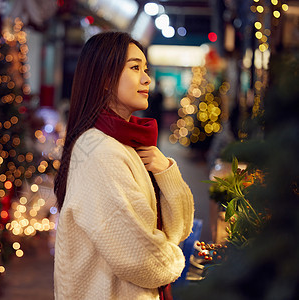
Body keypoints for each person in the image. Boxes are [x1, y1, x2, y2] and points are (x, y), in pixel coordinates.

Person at [53, 31, 194, 300]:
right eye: (134, 68)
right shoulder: (101, 151)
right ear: (105, 79)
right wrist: (178, 259)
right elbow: (142, 259)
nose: (146, 79)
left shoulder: (126, 143)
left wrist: (166, 171)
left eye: (145, 69)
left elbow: (179, 229)